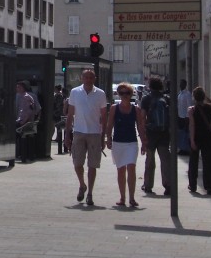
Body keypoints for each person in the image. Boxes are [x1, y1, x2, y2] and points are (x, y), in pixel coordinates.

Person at [64, 68, 108, 207]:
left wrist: (103, 136)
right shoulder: (75, 92)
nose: (88, 80)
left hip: (94, 133)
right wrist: (67, 134)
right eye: (86, 77)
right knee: (77, 163)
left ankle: (90, 194)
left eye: (91, 77)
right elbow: (70, 115)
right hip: (79, 132)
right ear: (82, 78)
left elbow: (104, 116)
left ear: (94, 79)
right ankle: (82, 185)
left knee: (92, 164)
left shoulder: (100, 94)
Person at [104, 82, 147, 207]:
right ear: (118, 94)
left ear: (131, 94)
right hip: (118, 143)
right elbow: (109, 124)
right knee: (121, 170)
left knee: (131, 168)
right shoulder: (114, 108)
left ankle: (132, 198)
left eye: (127, 93)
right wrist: (108, 139)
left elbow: (140, 126)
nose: (124, 96)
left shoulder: (136, 109)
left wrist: (143, 142)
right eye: (122, 93)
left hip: (131, 143)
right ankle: (122, 197)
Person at [139, 76, 172, 195]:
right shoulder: (166, 98)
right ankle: (168, 185)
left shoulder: (146, 99)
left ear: (150, 86)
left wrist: (143, 134)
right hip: (164, 134)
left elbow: (142, 117)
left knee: (150, 160)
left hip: (151, 133)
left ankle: (148, 185)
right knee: (165, 160)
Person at [187, 86, 211, 195]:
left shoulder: (191, 110)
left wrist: (192, 140)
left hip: (196, 137)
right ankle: (209, 186)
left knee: (193, 162)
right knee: (207, 163)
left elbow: (192, 125)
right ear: (203, 97)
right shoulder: (209, 107)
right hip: (207, 138)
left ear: (194, 97)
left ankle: (192, 185)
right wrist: (205, 97)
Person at [15, 80, 39, 163]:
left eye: (18, 87)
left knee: (18, 136)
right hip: (23, 121)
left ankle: (23, 155)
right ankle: (24, 155)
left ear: (23, 88)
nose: (17, 88)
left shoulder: (26, 97)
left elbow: (29, 111)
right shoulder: (22, 96)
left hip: (24, 122)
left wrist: (23, 122)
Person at [176, 79, 193, 155]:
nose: (181, 85)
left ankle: (186, 149)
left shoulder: (187, 94)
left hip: (185, 117)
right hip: (180, 116)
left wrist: (188, 117)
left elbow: (189, 105)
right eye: (180, 84)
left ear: (185, 85)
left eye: (182, 84)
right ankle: (182, 148)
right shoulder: (180, 94)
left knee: (185, 133)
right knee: (181, 133)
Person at [52, 84, 66, 155]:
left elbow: (58, 105)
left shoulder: (58, 95)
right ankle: (58, 137)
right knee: (57, 126)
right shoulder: (61, 95)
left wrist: (55, 112)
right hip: (60, 113)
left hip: (57, 114)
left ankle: (58, 137)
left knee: (57, 126)